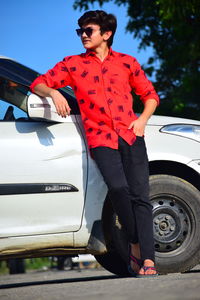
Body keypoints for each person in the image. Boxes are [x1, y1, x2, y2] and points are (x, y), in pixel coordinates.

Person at [30, 10, 159, 277]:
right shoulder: (73, 64)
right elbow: (37, 83)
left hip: (131, 135)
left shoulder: (127, 62)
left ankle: (148, 260)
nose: (83, 36)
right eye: (80, 32)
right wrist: (54, 92)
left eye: (88, 31)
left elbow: (150, 95)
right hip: (100, 138)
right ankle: (135, 245)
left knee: (141, 198)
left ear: (106, 34)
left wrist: (143, 120)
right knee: (119, 189)